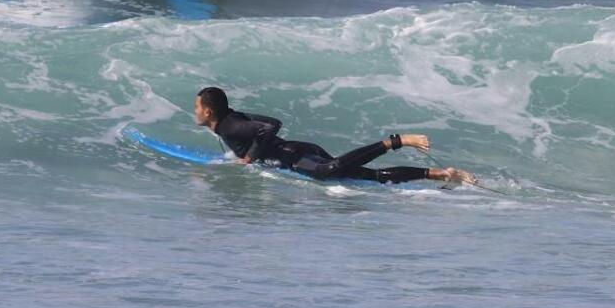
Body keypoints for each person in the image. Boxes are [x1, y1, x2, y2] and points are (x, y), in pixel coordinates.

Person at [193, 86, 478, 186]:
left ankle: (397, 141)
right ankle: (442, 174)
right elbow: (267, 123)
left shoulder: (229, 126)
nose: (195, 112)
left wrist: (250, 158)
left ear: (208, 111)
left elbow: (271, 126)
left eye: (197, 108)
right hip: (297, 151)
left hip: (295, 157)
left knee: (330, 171)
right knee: (371, 177)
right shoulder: (232, 118)